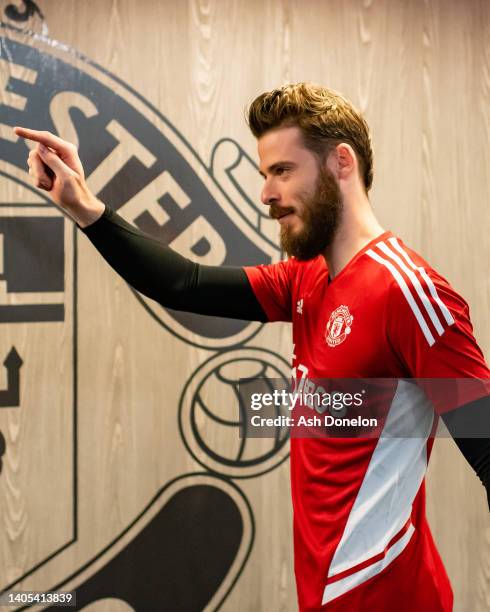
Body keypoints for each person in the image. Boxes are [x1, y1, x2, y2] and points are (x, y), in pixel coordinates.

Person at [14, 82, 490, 612]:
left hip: (391, 598)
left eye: (282, 171)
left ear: (341, 163)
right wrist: (85, 208)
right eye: (265, 175)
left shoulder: (409, 292)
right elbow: (184, 284)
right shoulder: (305, 279)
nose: (265, 194)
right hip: (323, 595)